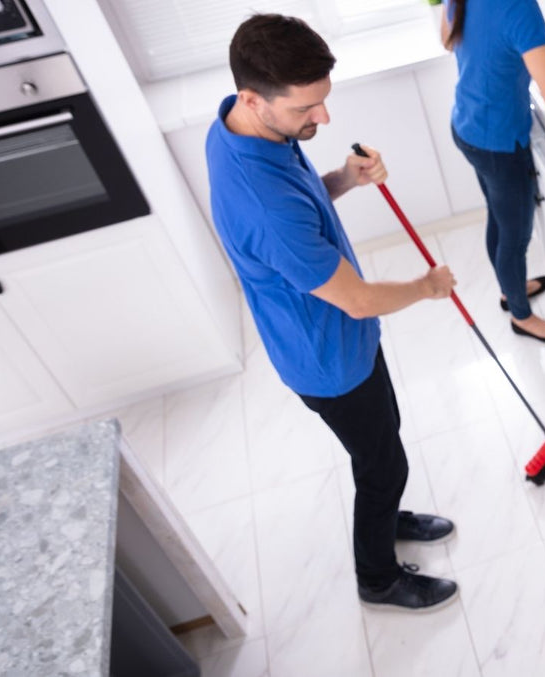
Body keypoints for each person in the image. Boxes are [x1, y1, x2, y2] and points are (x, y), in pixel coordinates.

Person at [206, 14, 462, 611]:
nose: (323, 118)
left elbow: (303, 207)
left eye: (323, 101)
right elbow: (357, 298)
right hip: (329, 359)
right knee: (382, 466)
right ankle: (377, 579)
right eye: (307, 110)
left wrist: (344, 177)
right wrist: (427, 285)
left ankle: (389, 513)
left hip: (335, 340)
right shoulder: (263, 203)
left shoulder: (240, 129)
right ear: (254, 97)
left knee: (382, 446)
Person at [440, 0, 545, 344]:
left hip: (468, 125)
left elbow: (449, 40)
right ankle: (521, 316)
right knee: (515, 236)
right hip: (500, 143)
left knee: (499, 217)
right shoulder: (520, 9)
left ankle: (511, 290)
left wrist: (527, 53)